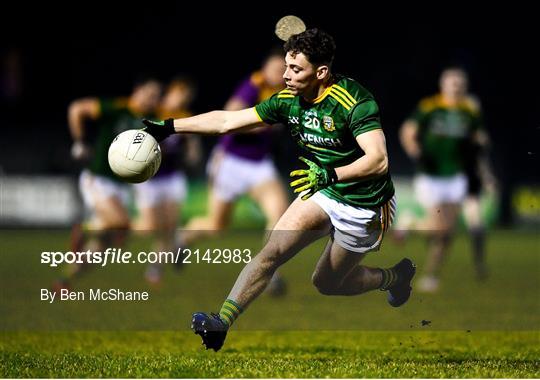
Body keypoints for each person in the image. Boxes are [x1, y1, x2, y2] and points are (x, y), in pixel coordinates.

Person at [142, 28, 415, 352]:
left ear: (321, 72)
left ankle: (393, 279)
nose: (285, 75)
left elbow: (379, 161)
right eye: (286, 66)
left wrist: (331, 173)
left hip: (365, 204)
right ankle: (221, 324)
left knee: (326, 283)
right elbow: (227, 122)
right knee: (272, 251)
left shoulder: (354, 101)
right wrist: (171, 126)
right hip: (322, 190)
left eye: (295, 69)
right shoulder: (287, 101)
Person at [178, 49, 290, 295]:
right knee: (217, 226)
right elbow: (231, 113)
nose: (279, 73)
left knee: (279, 215)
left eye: (283, 69)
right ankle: (182, 239)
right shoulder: (254, 84)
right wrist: (262, 123)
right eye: (275, 68)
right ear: (264, 68)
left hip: (259, 165)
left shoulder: (287, 91)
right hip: (230, 163)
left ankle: (270, 272)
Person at [56, 77, 162, 289]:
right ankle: (85, 229)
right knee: (122, 224)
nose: (152, 100)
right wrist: (79, 142)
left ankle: (65, 279)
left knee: (104, 246)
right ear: (137, 90)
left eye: (156, 96)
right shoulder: (117, 108)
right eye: (149, 94)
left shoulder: (151, 118)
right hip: (98, 179)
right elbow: (76, 109)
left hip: (123, 186)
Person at [399, 67, 488, 293]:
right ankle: (408, 224)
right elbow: (408, 130)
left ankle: (431, 275)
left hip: (455, 177)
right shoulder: (430, 107)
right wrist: (415, 150)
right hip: (431, 176)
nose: (456, 86)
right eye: (452, 82)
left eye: (460, 83)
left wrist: (481, 144)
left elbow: (478, 137)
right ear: (443, 85)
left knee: (447, 232)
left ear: (465, 87)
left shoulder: (469, 111)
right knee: (439, 228)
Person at [133, 77, 201, 285]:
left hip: (172, 177)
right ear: (170, 92)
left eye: (187, 96)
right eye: (180, 93)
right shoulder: (155, 112)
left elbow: (192, 140)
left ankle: (156, 267)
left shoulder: (183, 117)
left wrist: (192, 152)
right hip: (149, 179)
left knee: (170, 227)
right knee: (150, 226)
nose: (182, 99)